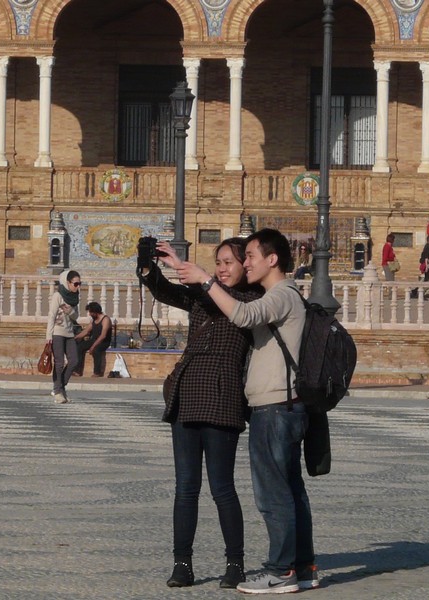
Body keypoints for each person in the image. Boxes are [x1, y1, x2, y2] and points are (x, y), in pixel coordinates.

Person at [168, 228, 318, 594]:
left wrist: (205, 279)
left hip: (276, 408)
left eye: (249, 256)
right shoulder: (281, 295)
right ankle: (303, 566)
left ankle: (281, 571)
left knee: (274, 495)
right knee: (291, 490)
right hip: (280, 406)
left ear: (272, 259)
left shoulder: (282, 295)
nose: (245, 262)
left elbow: (244, 316)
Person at [140, 238, 261, 590]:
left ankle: (235, 563)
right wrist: (151, 267)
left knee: (222, 487)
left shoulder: (250, 299)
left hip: (223, 396)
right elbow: (168, 293)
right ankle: (182, 562)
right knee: (185, 488)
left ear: (244, 266)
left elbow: (230, 306)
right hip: (188, 394)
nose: (222, 268)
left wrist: (202, 277)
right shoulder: (204, 294)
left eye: (228, 262)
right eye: (218, 262)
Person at [45, 269, 81, 404]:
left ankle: (60, 387)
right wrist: (48, 335)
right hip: (57, 332)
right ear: (67, 282)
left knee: (74, 361)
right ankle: (58, 391)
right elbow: (51, 315)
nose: (77, 286)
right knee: (59, 363)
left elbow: (76, 316)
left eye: (79, 283)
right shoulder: (58, 296)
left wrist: (70, 311)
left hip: (69, 332)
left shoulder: (75, 297)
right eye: (75, 284)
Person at [73, 302, 112, 377]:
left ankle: (97, 372)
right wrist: (75, 337)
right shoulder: (93, 320)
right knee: (80, 347)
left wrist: (93, 347)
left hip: (104, 342)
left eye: (91, 312)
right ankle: (77, 371)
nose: (89, 314)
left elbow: (103, 336)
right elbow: (86, 331)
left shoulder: (105, 319)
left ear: (96, 312)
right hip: (94, 340)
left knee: (96, 350)